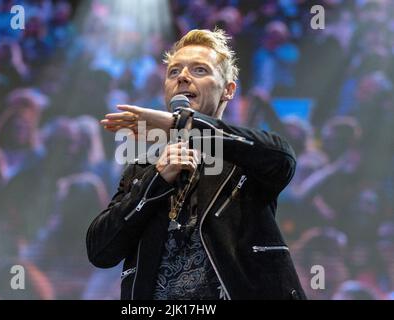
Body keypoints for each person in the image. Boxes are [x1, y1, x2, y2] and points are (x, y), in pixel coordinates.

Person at [86, 28, 306, 300]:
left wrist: (182, 123)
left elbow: (281, 158)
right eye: (173, 72)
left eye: (199, 70)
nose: (183, 77)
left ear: (228, 90)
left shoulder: (245, 158)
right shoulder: (143, 168)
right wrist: (157, 180)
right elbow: (100, 250)